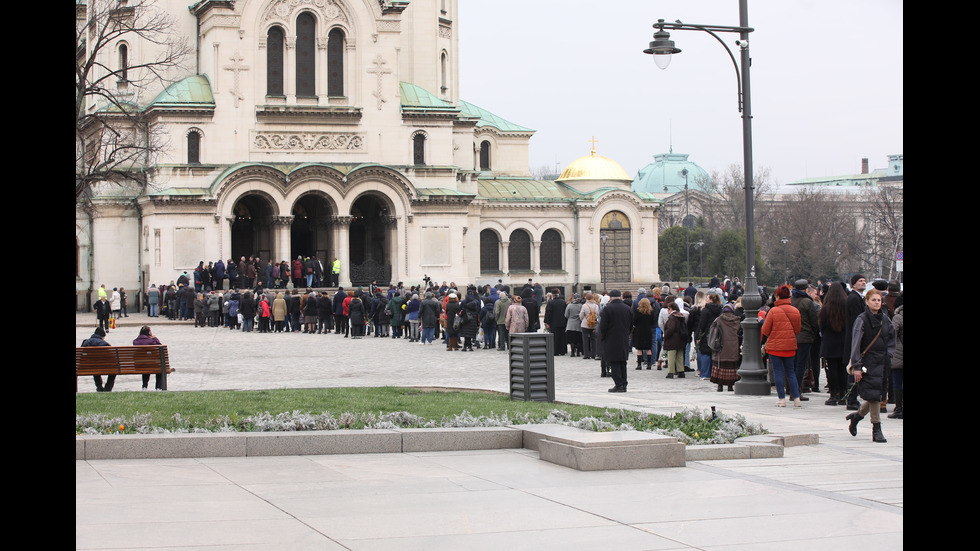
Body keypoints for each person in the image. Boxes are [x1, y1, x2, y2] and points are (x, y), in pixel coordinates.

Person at [846, 288, 896, 443]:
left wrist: (889, 354)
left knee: (878, 394)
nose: (876, 303)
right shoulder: (861, 319)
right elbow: (856, 344)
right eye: (873, 300)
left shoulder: (885, 319)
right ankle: (877, 428)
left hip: (882, 361)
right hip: (867, 361)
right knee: (874, 396)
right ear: (867, 302)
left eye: (879, 300)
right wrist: (857, 366)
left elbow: (891, 337)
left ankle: (857, 416)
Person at [762, 285, 803, 407]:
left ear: (777, 296)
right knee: (791, 372)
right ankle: (796, 398)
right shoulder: (795, 311)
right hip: (790, 345)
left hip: (775, 346)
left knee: (778, 372)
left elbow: (765, 330)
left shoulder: (773, 311)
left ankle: (781, 399)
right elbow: (797, 329)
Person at [819, 282, 850, 405]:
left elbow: (822, 325)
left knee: (832, 369)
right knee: (843, 369)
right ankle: (843, 393)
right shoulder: (846, 306)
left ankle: (833, 394)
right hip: (844, 341)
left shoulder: (826, 308)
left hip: (830, 341)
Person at [598, 289, 633, 392]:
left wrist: (603, 337)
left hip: (611, 338)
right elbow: (631, 324)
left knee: (614, 362)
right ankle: (624, 383)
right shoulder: (627, 308)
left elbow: (603, 326)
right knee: (623, 362)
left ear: (610, 297)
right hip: (624, 338)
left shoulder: (608, 309)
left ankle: (618, 384)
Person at [790, 279, 819, 401]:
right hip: (805, 337)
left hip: (792, 336)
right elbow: (814, 321)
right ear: (806, 289)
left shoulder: (790, 301)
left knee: (793, 364)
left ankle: (792, 390)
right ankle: (796, 392)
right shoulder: (807, 302)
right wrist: (814, 332)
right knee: (801, 366)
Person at [711, 303, 742, 392]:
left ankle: (719, 386)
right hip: (733, 345)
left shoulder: (719, 319)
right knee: (731, 365)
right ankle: (730, 386)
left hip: (721, 345)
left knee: (720, 364)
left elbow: (713, 330)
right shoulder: (736, 320)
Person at [132, 325, 165, 390]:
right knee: (160, 367)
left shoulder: (135, 341)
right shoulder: (151, 341)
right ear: (149, 333)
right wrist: (155, 337)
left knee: (146, 366)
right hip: (152, 364)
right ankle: (158, 387)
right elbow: (160, 347)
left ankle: (144, 386)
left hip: (140, 365)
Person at [82, 326, 114, 392]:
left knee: (94, 368)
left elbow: (82, 356)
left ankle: (99, 387)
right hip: (103, 366)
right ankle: (107, 388)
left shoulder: (85, 342)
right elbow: (112, 356)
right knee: (114, 371)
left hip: (88, 366)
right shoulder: (104, 344)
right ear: (102, 336)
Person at [662, 302, 687, 379]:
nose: (667, 311)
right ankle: (681, 371)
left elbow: (671, 328)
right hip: (680, 338)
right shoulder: (681, 316)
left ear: (671, 309)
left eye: (668, 309)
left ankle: (671, 372)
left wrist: (665, 335)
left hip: (672, 339)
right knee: (679, 356)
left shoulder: (672, 317)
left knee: (671, 356)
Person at [888, 304, 904, 419]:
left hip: (898, 354)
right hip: (899, 355)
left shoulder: (898, 317)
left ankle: (899, 409)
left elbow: (892, 334)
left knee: (897, 382)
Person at [632, 298, 656, 370]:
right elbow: (653, 321)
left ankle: (639, 365)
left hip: (639, 330)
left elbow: (634, 321)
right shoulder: (651, 312)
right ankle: (649, 364)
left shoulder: (637, 311)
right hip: (648, 330)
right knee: (648, 348)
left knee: (639, 349)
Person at [544, 288, 567, 356]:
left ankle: (555, 351)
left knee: (555, 337)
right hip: (563, 322)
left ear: (552, 295)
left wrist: (547, 322)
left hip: (554, 322)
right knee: (562, 337)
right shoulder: (563, 302)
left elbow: (548, 313)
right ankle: (562, 350)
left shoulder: (551, 302)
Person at [580, 292, 600, 360]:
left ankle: (586, 354)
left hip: (585, 324)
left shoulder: (584, 305)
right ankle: (594, 354)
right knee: (594, 340)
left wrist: (583, 319)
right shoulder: (596, 306)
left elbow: (581, 315)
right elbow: (597, 315)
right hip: (594, 325)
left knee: (585, 340)